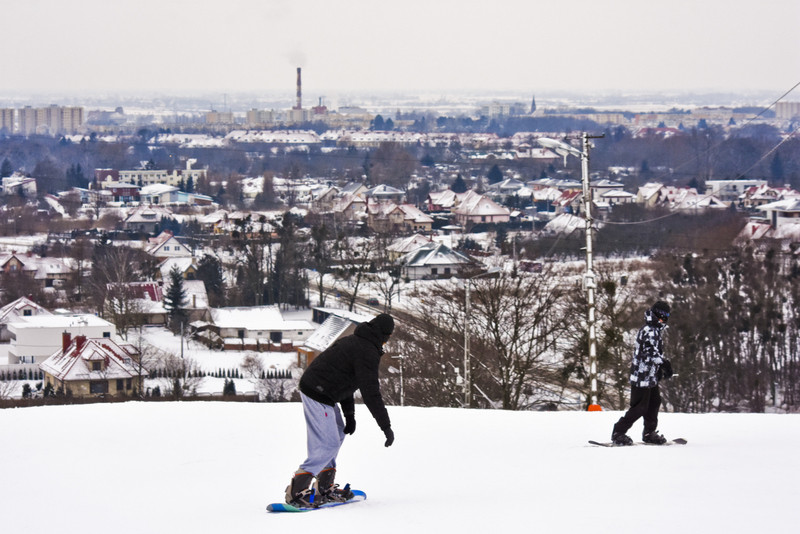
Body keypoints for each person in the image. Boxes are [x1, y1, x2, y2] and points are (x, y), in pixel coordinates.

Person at [284, 313, 396, 507]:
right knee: (328, 444)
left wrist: (349, 415)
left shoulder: (357, 341)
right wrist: (385, 426)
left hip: (324, 391)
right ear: (384, 335)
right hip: (317, 392)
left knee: (337, 434)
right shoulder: (366, 350)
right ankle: (296, 491)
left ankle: (325, 487)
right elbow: (370, 393)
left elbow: (346, 380)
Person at [611, 301, 674, 446]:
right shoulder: (649, 330)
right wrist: (664, 363)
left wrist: (659, 370)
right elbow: (650, 352)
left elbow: (653, 354)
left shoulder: (655, 329)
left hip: (650, 376)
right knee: (640, 407)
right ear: (656, 314)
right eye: (663, 315)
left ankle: (649, 433)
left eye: (667, 316)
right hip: (641, 376)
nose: (664, 319)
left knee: (654, 403)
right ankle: (618, 432)